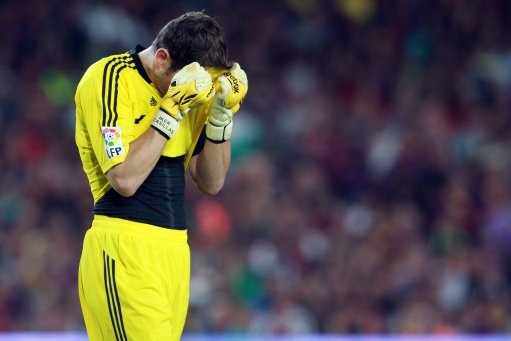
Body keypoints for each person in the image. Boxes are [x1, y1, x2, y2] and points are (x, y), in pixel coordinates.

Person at [74, 11, 248, 341]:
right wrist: (170, 110)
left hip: (175, 253)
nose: (198, 93)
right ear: (162, 57)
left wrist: (221, 117)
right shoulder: (108, 79)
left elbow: (211, 182)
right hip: (123, 248)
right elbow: (123, 180)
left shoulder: (194, 91)